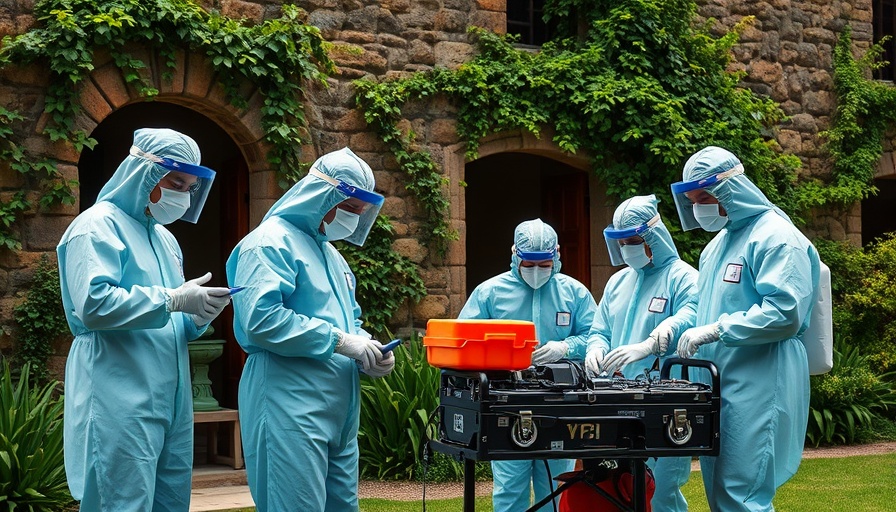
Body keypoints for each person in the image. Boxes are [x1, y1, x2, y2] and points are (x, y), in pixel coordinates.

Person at [57, 128, 230, 511]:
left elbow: (170, 320)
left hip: (171, 399)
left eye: (190, 186)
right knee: (121, 501)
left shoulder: (165, 239)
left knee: (169, 501)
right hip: (119, 396)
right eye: (176, 182)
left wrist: (198, 315)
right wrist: (172, 298)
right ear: (145, 173)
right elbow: (94, 305)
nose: (183, 195)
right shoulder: (96, 225)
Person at [226, 147, 394, 511]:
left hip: (338, 411)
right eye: (349, 209)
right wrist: (339, 341)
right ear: (323, 195)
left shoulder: (332, 255)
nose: (353, 219)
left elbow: (350, 320)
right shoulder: (269, 242)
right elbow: (261, 320)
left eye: (360, 212)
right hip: (288, 405)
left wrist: (369, 350)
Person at [670, 146, 819, 512]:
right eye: (692, 200)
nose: (699, 207)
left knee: (743, 494)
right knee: (721, 492)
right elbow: (705, 311)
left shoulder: (776, 237)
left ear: (730, 188)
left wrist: (717, 330)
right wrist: (663, 337)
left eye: (704, 197)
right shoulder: (715, 247)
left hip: (761, 382)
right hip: (719, 385)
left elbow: (786, 312)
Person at [458, 218, 598, 512]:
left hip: (559, 402)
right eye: (529, 264)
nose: (537, 271)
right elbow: (464, 342)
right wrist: (500, 357)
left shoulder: (574, 293)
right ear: (514, 255)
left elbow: (597, 336)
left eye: (544, 264)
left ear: (557, 255)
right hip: (506, 401)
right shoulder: (489, 293)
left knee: (556, 484)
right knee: (510, 486)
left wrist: (566, 347)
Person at [583, 194, 698, 512]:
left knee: (661, 492)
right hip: (616, 400)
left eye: (634, 240)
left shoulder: (682, 277)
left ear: (654, 236)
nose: (628, 248)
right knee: (617, 487)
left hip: (665, 403)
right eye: (622, 242)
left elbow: (694, 312)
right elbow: (600, 330)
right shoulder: (617, 282)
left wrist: (653, 342)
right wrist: (595, 350)